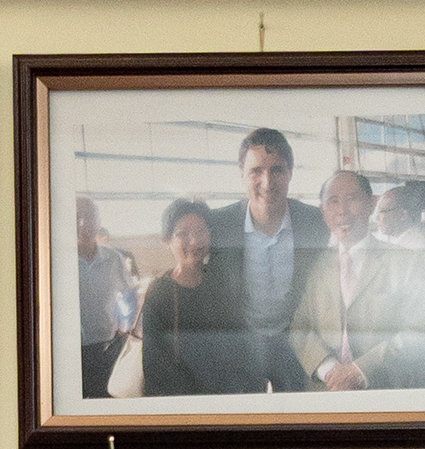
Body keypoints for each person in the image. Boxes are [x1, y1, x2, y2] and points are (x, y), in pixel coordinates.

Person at [288, 169, 425, 392]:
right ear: (323, 211)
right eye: (333, 202)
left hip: (383, 390)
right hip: (324, 391)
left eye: (352, 199)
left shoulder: (407, 262)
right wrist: (328, 370)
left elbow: (419, 330)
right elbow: (300, 328)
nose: (342, 211)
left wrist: (360, 371)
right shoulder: (315, 265)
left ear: (371, 204)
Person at [220, 125, 331, 394]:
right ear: (242, 175)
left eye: (277, 170)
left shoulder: (315, 222)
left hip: (294, 341)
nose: (267, 182)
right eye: (256, 170)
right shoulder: (220, 224)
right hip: (243, 344)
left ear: (290, 173)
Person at [134, 200, 231, 397]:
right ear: (168, 241)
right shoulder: (159, 292)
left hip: (221, 396)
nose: (194, 242)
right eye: (182, 234)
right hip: (178, 399)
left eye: (200, 231)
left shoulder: (220, 283)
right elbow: (153, 364)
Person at [76, 200, 136, 399]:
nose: (83, 222)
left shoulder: (113, 259)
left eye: (90, 216)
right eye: (77, 216)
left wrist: (125, 327)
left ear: (98, 221)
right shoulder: (56, 258)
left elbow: (129, 295)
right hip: (72, 352)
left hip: (107, 348)